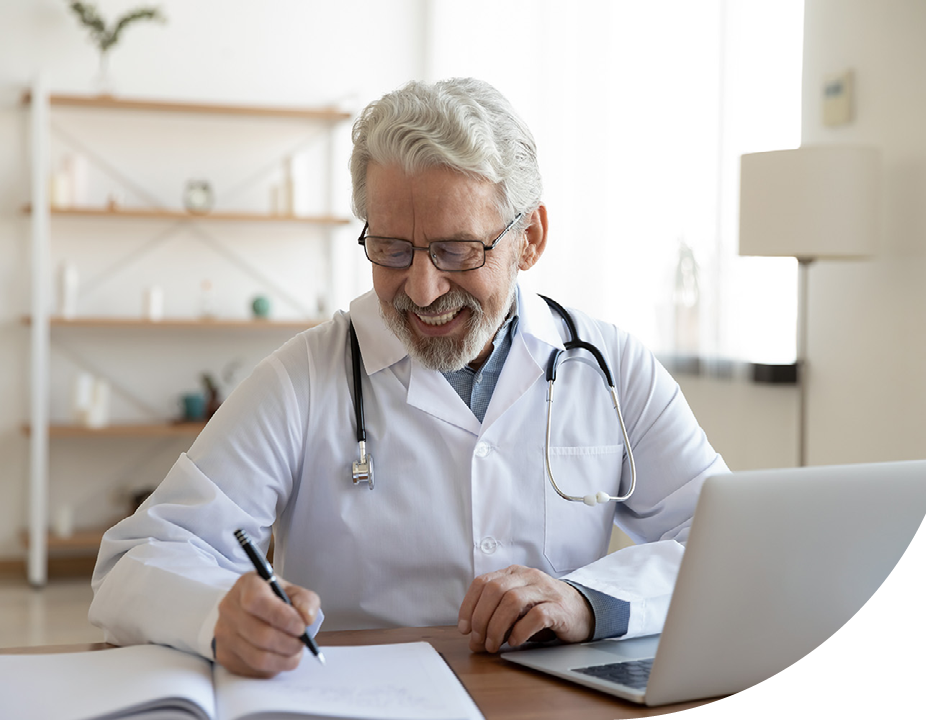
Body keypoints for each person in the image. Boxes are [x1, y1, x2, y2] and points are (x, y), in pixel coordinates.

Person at [89, 77, 727, 678]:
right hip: (357, 699)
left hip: (548, 701)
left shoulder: (608, 364)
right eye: (392, 250)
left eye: (457, 251)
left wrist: (591, 602)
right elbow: (133, 561)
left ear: (528, 237)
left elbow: (725, 541)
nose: (422, 290)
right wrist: (216, 611)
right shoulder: (304, 377)